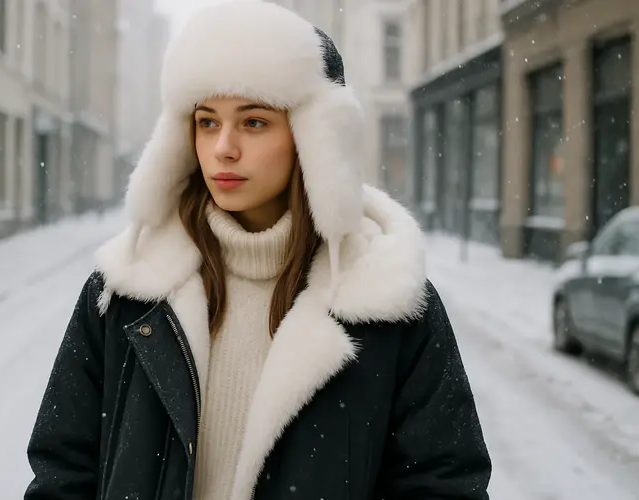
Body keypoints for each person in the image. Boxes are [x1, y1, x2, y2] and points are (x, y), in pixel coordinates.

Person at [24, 2, 491, 499]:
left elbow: (444, 484)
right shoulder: (126, 290)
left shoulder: (387, 302)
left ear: (312, 138)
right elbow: (62, 471)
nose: (223, 147)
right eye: (207, 122)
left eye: (253, 122)